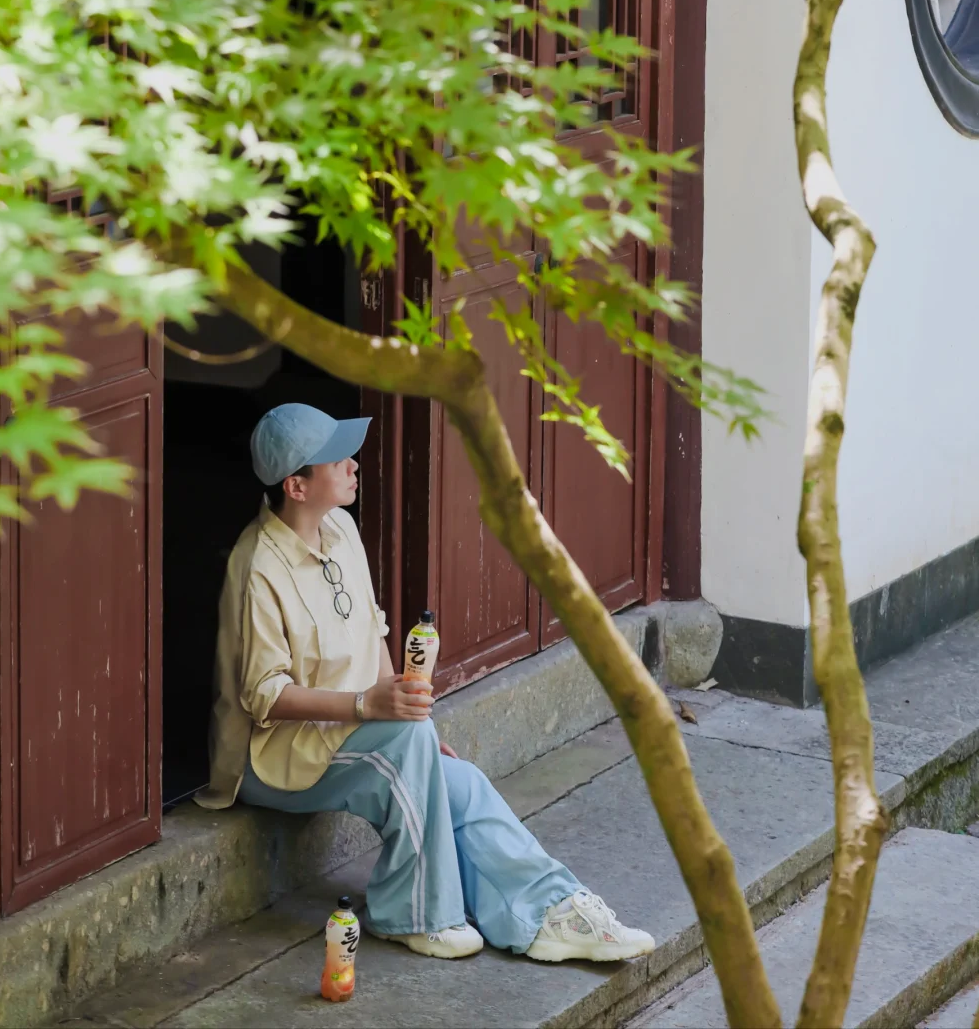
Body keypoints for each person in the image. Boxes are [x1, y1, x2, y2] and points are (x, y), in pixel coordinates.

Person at [197, 402, 655, 963]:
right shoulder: (257, 567)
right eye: (338, 460)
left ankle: (550, 913)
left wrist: (408, 716)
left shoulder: (340, 528)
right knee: (413, 752)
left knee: (458, 779)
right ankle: (415, 915)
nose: (353, 466)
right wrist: (371, 707)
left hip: (346, 732)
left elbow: (374, 632)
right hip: (272, 759)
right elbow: (264, 696)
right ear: (296, 485)